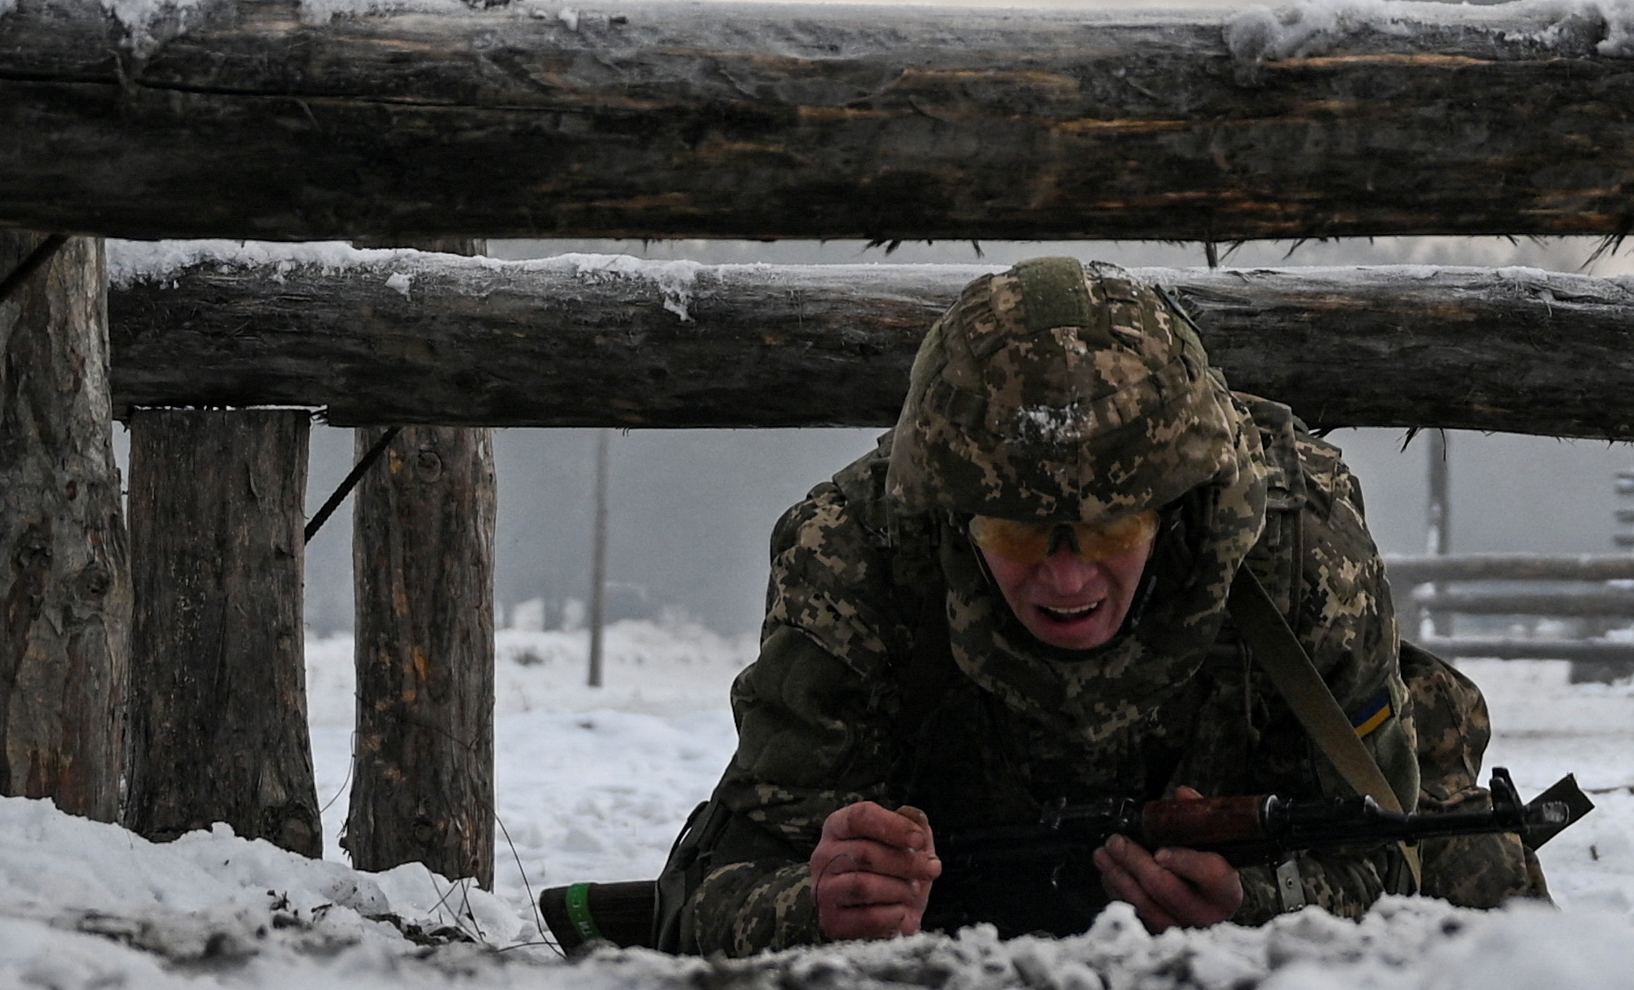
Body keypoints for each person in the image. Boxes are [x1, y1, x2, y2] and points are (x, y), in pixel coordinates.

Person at [652, 256, 1531, 952]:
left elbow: (1393, 851)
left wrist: (1263, 904)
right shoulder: (852, 561)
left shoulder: (1299, 555)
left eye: (1112, 530)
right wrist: (820, 904)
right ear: (953, 519)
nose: (1067, 582)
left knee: (1488, 893)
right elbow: (720, 883)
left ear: (1180, 508)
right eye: (1020, 535)